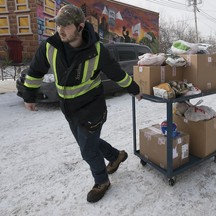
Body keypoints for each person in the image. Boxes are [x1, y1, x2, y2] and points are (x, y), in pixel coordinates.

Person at [22, 4, 141, 203]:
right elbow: (35, 71)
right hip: (69, 110)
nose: (60, 29)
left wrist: (135, 89)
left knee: (87, 151)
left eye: (66, 25)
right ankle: (115, 156)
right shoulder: (50, 46)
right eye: (58, 25)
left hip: (92, 109)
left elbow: (117, 74)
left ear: (80, 26)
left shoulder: (97, 50)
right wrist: (29, 96)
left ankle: (102, 181)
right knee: (88, 144)